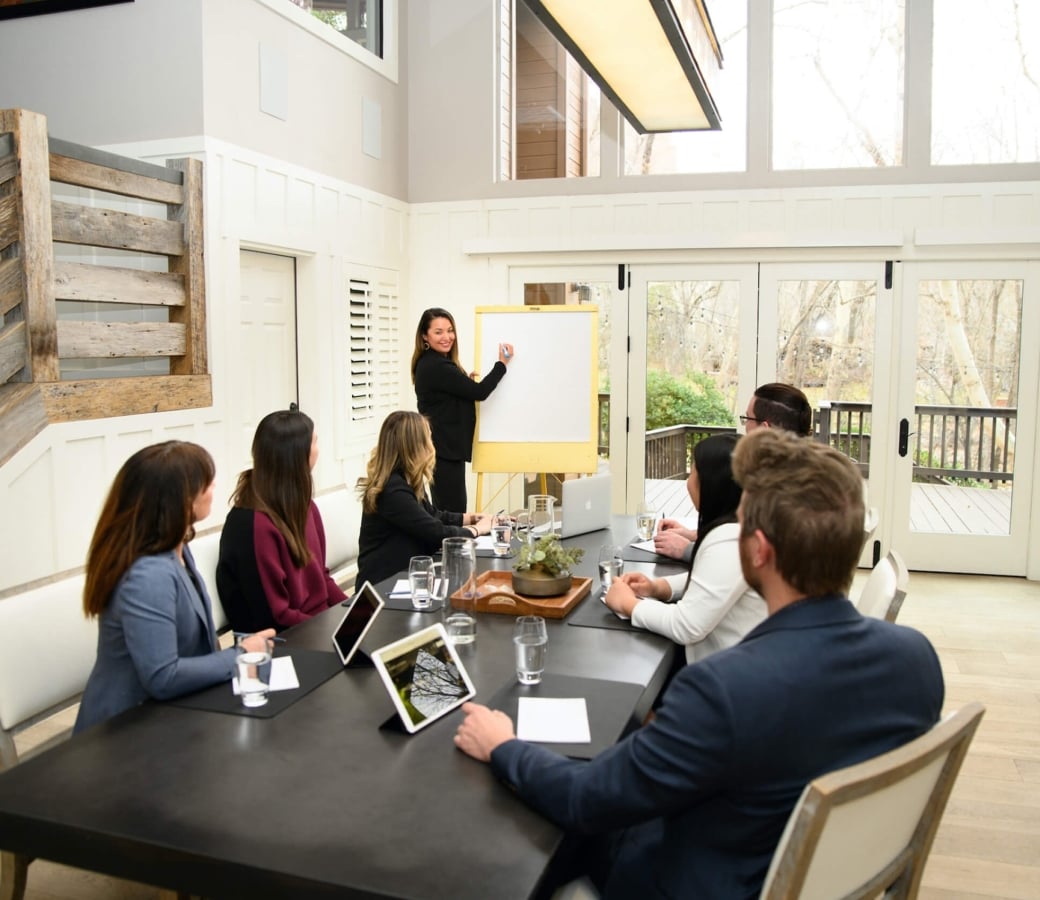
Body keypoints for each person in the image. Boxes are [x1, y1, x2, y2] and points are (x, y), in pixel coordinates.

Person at [453, 428, 944, 899]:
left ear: (759, 550)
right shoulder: (916, 660)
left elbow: (586, 799)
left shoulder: (723, 689)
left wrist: (504, 747)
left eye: (740, 523)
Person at [75, 442, 274, 733]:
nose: (213, 485)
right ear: (181, 499)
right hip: (123, 731)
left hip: (173, 714)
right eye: (205, 482)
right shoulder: (148, 575)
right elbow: (163, 676)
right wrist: (240, 654)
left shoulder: (177, 548)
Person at [604, 433, 766, 663]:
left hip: (729, 677)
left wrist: (628, 604)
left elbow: (686, 625)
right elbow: (712, 580)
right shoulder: (741, 527)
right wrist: (657, 587)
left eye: (692, 472)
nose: (688, 481)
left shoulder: (730, 540)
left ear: (710, 483)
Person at [217, 407, 346, 632]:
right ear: (297, 455)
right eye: (314, 442)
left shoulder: (305, 506)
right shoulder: (251, 525)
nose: (318, 449)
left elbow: (320, 577)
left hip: (316, 627)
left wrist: (352, 610)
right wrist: (331, 627)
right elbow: (275, 616)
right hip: (287, 641)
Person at [654, 382, 813, 561]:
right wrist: (694, 535)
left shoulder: (786, 494)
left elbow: (756, 561)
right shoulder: (791, 476)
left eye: (748, 419)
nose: (745, 427)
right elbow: (745, 536)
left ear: (764, 430)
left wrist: (687, 550)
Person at [355, 410, 493, 590]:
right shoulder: (392, 490)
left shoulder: (406, 479)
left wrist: (470, 518)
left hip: (405, 577)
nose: (431, 445)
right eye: (428, 438)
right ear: (414, 446)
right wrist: (476, 530)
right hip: (384, 586)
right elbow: (435, 532)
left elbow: (431, 514)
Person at [411, 307, 514, 512]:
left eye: (450, 330)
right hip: (444, 451)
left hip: (441, 449)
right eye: (438, 332)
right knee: (454, 512)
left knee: (447, 511)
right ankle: (453, 546)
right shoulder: (438, 366)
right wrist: (502, 363)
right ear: (425, 336)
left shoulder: (432, 363)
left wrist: (462, 383)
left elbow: (443, 399)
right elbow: (481, 391)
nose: (447, 337)